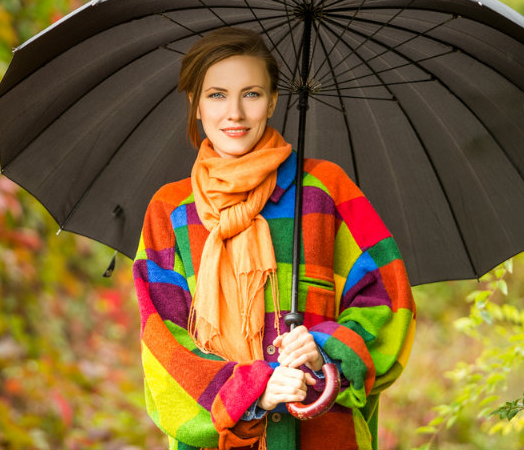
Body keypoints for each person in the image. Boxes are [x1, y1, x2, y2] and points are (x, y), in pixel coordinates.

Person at [133, 27, 415, 450]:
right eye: (216, 94)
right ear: (194, 103)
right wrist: (253, 393)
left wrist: (322, 350)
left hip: (325, 437)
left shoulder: (324, 189)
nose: (234, 113)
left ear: (273, 100)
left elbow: (388, 303)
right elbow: (164, 341)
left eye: (251, 94)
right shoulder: (171, 210)